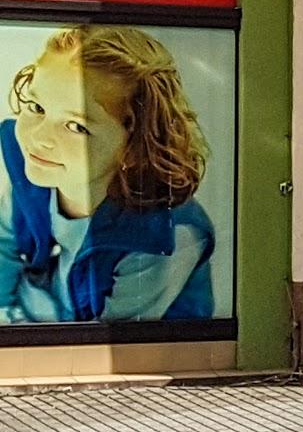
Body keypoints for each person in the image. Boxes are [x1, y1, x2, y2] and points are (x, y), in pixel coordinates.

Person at [0, 25, 215, 323]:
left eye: (76, 126)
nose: (39, 137)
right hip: (45, 305)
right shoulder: (35, 165)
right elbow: (3, 247)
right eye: (37, 107)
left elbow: (104, 346)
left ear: (134, 146)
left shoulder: (165, 236)